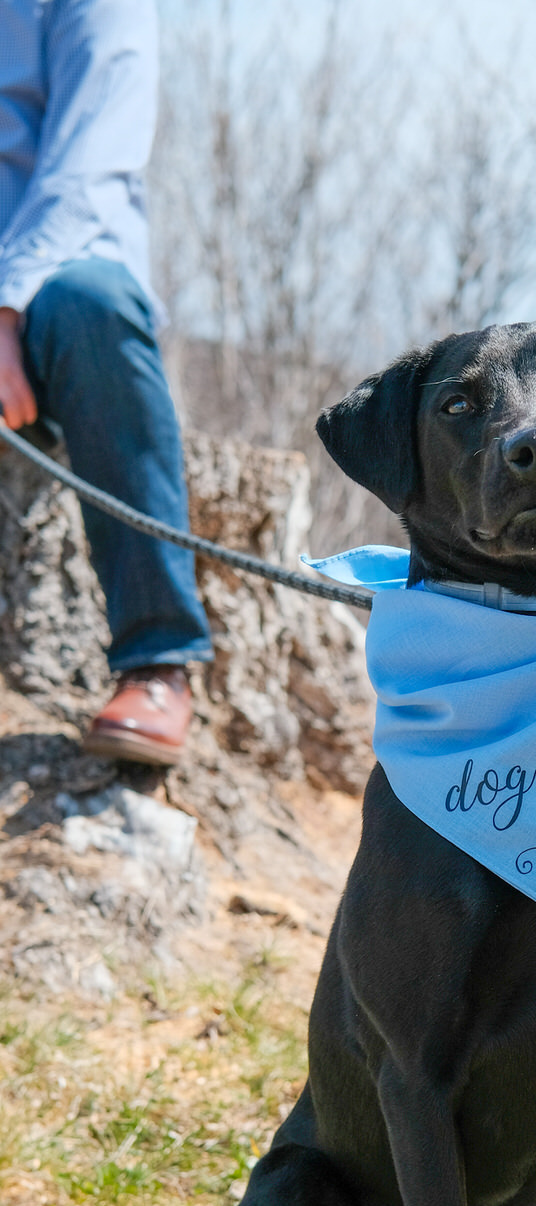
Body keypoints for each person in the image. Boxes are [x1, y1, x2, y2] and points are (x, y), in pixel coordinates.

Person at [0, 0, 212, 765]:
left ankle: (158, 658)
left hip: (51, 280)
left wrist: (4, 305)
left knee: (93, 307)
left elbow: (88, 163)